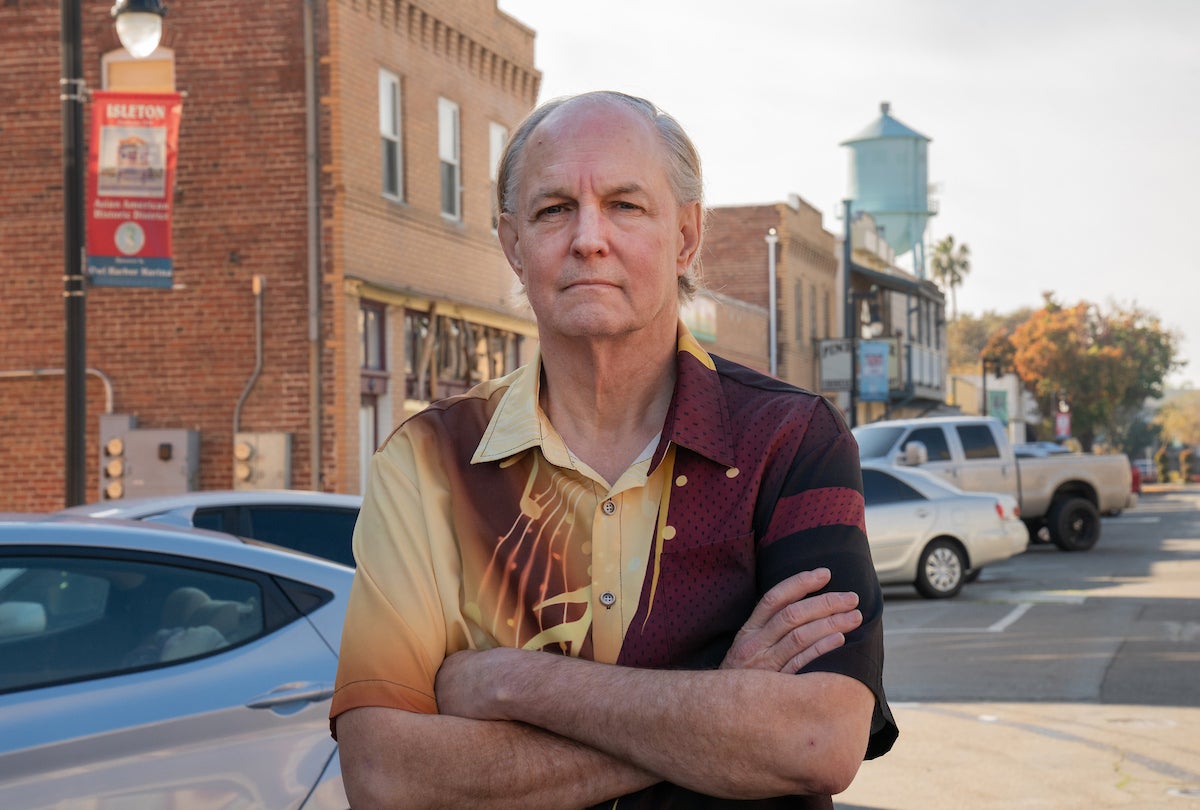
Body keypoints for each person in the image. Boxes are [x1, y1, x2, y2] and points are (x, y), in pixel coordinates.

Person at [331, 90, 898, 808]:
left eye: (626, 206)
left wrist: (514, 683)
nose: (588, 237)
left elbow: (818, 740)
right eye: (553, 209)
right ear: (511, 242)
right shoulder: (425, 461)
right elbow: (385, 777)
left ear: (686, 237)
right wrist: (719, 708)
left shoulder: (791, 441)